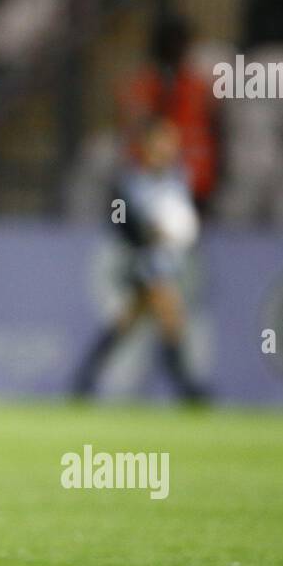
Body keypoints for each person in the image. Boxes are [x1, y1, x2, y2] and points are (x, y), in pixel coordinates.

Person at [71, 117, 208, 402]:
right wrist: (149, 234)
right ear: (146, 146)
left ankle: (84, 380)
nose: (168, 148)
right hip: (139, 262)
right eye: (162, 142)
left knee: (127, 321)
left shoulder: (177, 180)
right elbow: (120, 221)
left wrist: (182, 233)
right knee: (170, 314)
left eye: (172, 143)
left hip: (166, 261)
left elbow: (186, 219)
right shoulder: (131, 183)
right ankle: (189, 389)